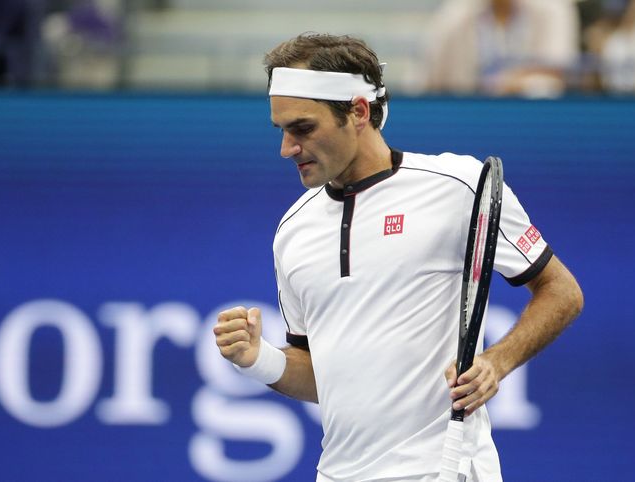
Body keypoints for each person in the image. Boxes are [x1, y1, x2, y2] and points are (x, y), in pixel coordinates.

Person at [213, 33, 583, 482]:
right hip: (336, 473)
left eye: (303, 128)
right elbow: (320, 376)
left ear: (358, 112)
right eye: (283, 130)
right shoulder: (292, 231)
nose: (287, 148)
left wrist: (496, 362)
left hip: (446, 470)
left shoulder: (460, 186)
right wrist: (257, 358)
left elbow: (561, 292)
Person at [426, 0, 580, 97]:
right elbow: (432, 80)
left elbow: (558, 66)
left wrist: (510, 81)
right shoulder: (453, 15)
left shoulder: (554, 9)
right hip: (469, 113)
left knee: (541, 86)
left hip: (532, 114)